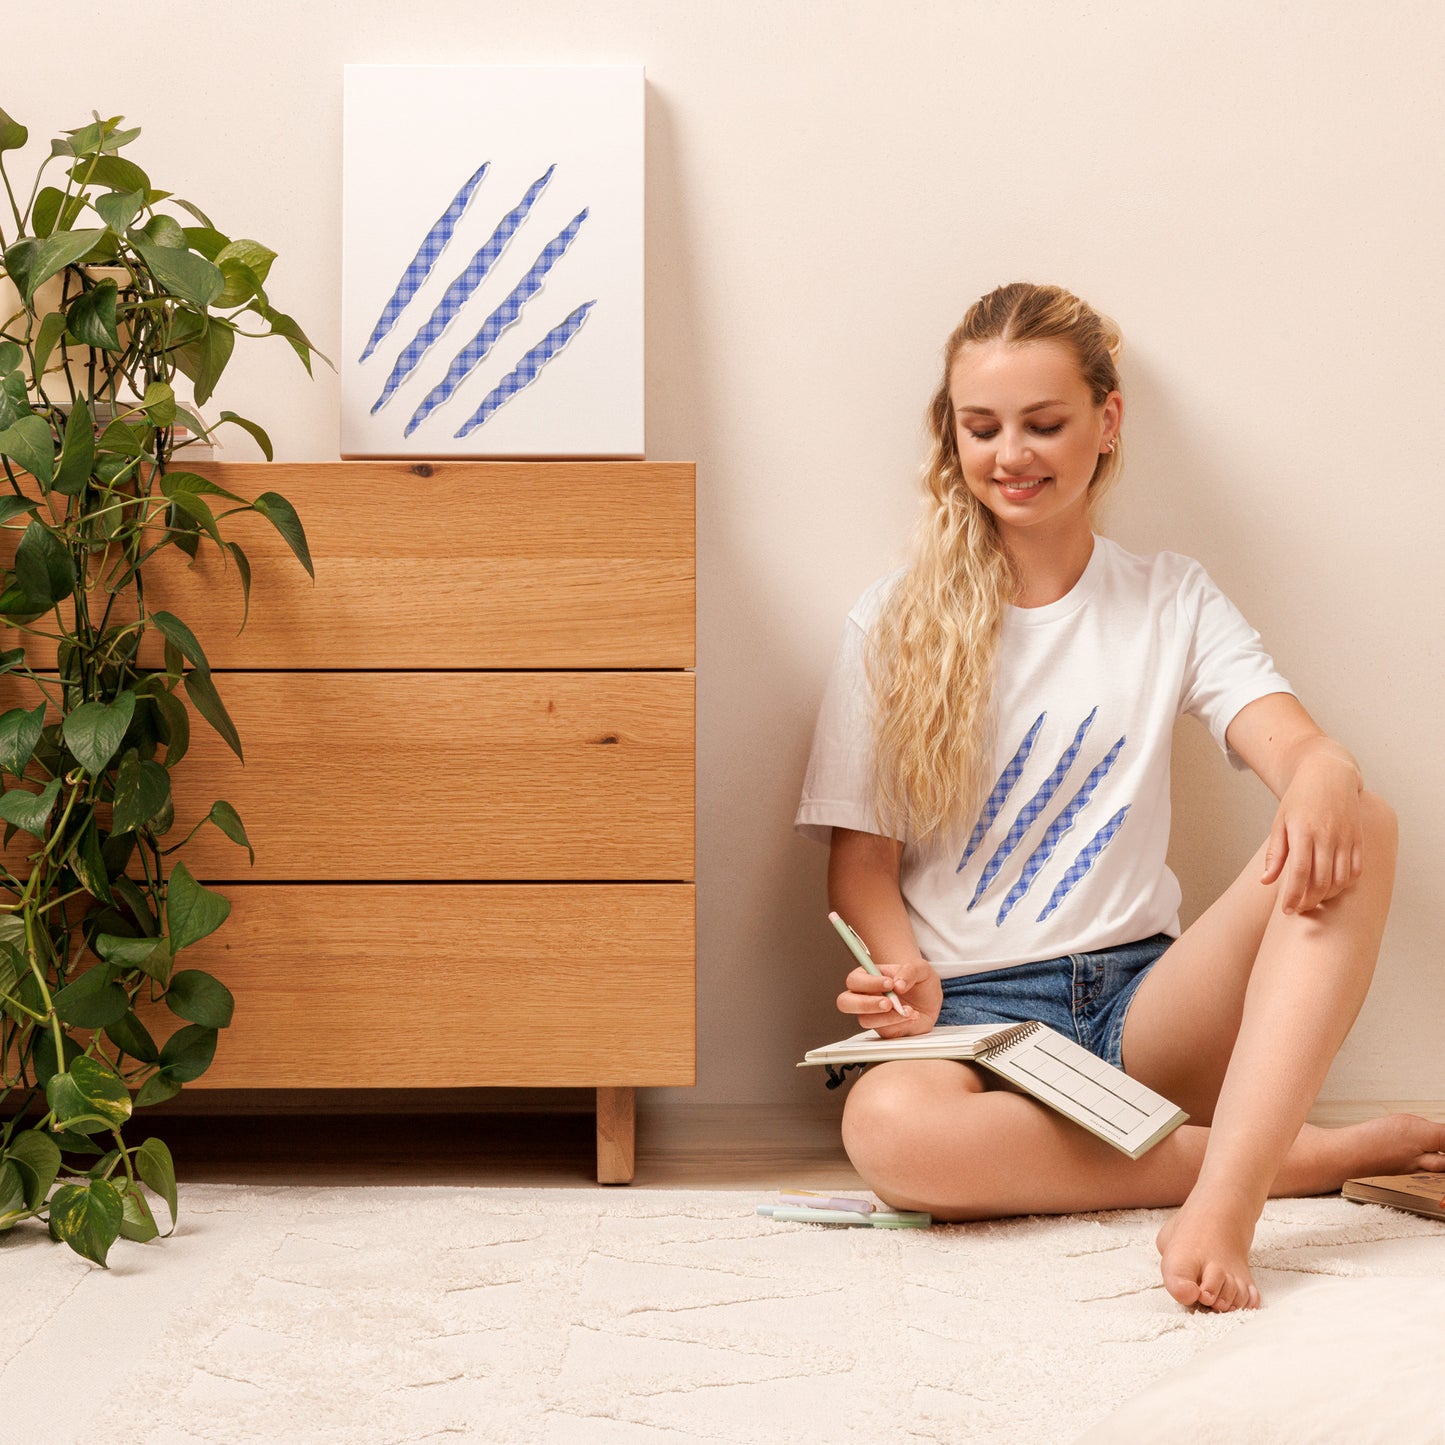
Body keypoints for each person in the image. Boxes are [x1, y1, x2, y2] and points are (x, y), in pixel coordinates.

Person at [794, 281, 1445, 1313]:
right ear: (950, 437)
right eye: (981, 426)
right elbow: (860, 863)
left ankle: (1223, 1197)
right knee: (887, 1132)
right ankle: (1287, 1156)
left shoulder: (1166, 597)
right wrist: (900, 970)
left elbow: (1286, 739)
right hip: (970, 1023)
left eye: (1043, 423)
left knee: (1359, 818)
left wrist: (1321, 766)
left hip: (1144, 1012)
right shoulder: (890, 620)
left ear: (1105, 421)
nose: (1011, 453)